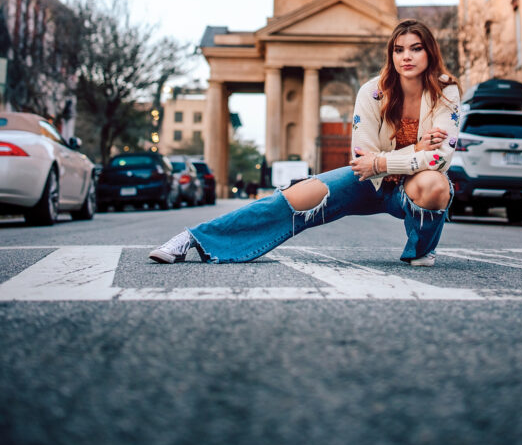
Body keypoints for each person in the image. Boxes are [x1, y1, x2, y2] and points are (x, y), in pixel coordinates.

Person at [149, 20, 461, 268]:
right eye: (399, 49)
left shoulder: (446, 92)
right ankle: (194, 239)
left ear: (429, 53)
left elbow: (439, 160)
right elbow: (362, 157)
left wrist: (385, 161)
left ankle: (420, 250)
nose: (406, 56)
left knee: (436, 184)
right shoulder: (373, 92)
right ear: (391, 55)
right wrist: (416, 150)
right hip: (370, 182)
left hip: (412, 186)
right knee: (290, 199)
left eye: (416, 49)